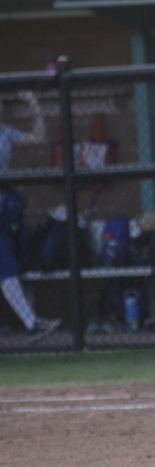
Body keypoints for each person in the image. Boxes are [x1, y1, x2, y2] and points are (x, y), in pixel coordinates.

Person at [0, 91, 62, 340]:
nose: (1, 107)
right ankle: (32, 322)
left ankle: (32, 323)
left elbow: (39, 137)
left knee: (6, 267)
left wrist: (34, 104)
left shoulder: (5, 131)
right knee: (6, 267)